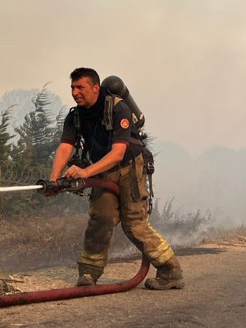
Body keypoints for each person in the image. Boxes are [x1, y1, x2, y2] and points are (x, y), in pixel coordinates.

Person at [49, 67, 184, 290]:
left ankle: (171, 271)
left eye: (80, 87)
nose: (75, 92)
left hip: (129, 166)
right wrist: (54, 180)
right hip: (102, 169)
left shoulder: (118, 108)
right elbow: (65, 146)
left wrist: (84, 173)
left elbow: (118, 153)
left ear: (95, 87)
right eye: (72, 87)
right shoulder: (75, 116)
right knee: (99, 219)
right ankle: (88, 273)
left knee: (134, 224)